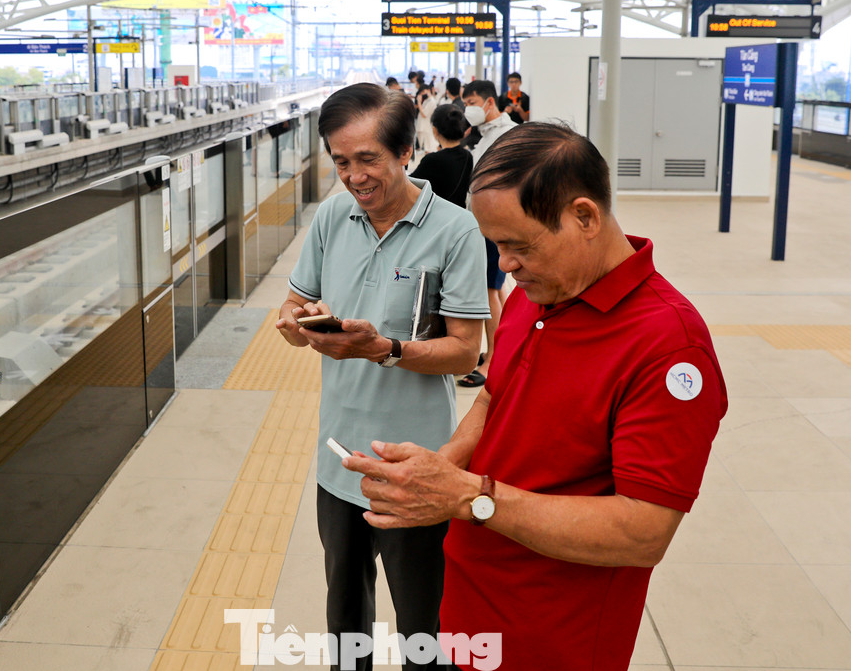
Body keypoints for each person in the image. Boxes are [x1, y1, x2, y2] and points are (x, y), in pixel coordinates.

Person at [344, 121, 728, 671]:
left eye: (519, 245)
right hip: (470, 608)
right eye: (496, 245)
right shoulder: (539, 290)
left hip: (552, 637)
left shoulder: (668, 348)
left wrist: (469, 498)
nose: (504, 265)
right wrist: (440, 471)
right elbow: (494, 397)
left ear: (585, 217)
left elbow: (643, 532)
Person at [276, 83, 489, 671]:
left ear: (405, 152)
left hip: (415, 466)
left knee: (424, 625)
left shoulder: (455, 231)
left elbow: (465, 353)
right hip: (338, 459)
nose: (354, 176)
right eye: (341, 161)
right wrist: (296, 324)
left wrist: (384, 350)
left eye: (367, 159)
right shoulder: (332, 217)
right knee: (345, 620)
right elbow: (295, 303)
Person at [457, 79, 517, 388]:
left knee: (489, 291)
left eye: (472, 103)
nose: (468, 109)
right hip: (483, 221)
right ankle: (504, 349)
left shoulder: (507, 135)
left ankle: (493, 361)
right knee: (498, 288)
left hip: (495, 223)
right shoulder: (486, 133)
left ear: (489, 102)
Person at [410, 103, 472, 208]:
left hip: (438, 214)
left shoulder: (432, 160)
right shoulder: (468, 156)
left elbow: (410, 185)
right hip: (460, 212)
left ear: (435, 130)